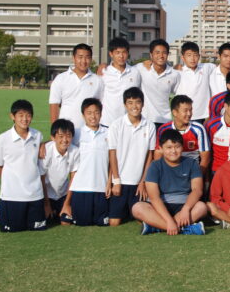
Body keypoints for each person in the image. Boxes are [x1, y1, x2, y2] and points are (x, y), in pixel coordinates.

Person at [133, 129, 206, 235]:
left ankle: (156, 227)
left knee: (202, 207)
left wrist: (186, 209)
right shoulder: (155, 165)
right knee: (137, 208)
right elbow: (154, 197)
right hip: (161, 206)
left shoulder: (192, 163)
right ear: (161, 149)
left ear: (182, 147)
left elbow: (197, 190)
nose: (173, 151)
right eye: (169, 147)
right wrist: (169, 220)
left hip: (183, 204)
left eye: (177, 147)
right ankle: (181, 228)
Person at [0, 100, 47, 232]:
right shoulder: (3, 139)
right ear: (12, 116)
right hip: (12, 195)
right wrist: (10, 185)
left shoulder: (37, 136)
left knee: (37, 228)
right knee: (13, 229)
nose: (25, 119)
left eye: (28, 115)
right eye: (20, 115)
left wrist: (44, 143)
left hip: (34, 194)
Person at [107, 87, 156, 226]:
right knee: (114, 222)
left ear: (143, 104)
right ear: (124, 105)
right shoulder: (116, 125)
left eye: (138, 102)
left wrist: (143, 182)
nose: (134, 106)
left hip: (138, 184)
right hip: (121, 182)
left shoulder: (150, 126)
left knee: (143, 220)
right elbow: (112, 154)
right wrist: (116, 181)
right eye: (130, 102)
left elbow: (149, 156)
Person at [64, 98, 109, 227]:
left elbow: (113, 160)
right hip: (81, 188)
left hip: (101, 188)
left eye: (96, 112)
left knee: (103, 223)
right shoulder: (76, 133)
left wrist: (110, 182)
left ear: (101, 113)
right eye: (89, 113)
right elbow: (60, 142)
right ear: (83, 115)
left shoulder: (109, 132)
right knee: (82, 223)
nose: (93, 116)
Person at [48, 43, 103, 131]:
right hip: (66, 131)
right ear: (73, 58)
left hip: (89, 131)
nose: (84, 61)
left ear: (91, 59)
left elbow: (100, 106)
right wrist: (55, 131)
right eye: (80, 57)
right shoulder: (61, 78)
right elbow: (54, 105)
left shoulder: (98, 80)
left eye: (87, 57)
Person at [155, 96, 211, 175]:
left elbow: (205, 158)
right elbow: (158, 154)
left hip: (192, 172)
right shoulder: (163, 129)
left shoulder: (199, 129)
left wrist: (196, 177)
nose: (189, 114)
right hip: (169, 173)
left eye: (190, 110)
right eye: (185, 110)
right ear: (175, 112)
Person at [39, 119, 79, 224]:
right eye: (61, 136)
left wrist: (67, 203)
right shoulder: (46, 151)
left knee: (66, 222)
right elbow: (41, 178)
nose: (65, 140)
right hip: (46, 196)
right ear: (53, 138)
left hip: (63, 195)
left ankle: (59, 209)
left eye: (68, 136)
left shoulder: (75, 151)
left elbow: (73, 178)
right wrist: (46, 204)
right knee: (44, 221)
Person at [99, 37, 141, 127]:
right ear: (111, 54)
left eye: (124, 52)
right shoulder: (104, 72)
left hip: (128, 123)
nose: (121, 56)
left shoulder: (135, 72)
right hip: (107, 123)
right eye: (117, 53)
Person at [139, 39, 180, 130]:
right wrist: (104, 66)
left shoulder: (174, 74)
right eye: (157, 52)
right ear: (151, 55)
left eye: (164, 53)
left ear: (168, 55)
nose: (161, 56)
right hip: (146, 120)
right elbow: (125, 69)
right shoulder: (141, 69)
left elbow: (177, 95)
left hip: (166, 120)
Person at [175, 41, 217, 122]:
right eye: (189, 55)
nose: (193, 58)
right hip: (183, 115)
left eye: (195, 55)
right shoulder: (178, 72)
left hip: (203, 115)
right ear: (183, 57)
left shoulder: (206, 67)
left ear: (199, 56)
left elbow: (220, 68)